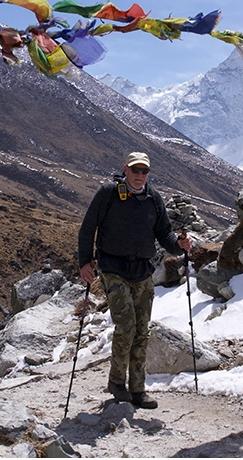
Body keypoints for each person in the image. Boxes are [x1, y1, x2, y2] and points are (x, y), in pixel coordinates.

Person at [78, 152, 192, 409]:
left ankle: (138, 389)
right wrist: (85, 262)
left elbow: (164, 234)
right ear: (125, 169)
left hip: (142, 270)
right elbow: (88, 228)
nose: (140, 175)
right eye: (135, 170)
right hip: (112, 267)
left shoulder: (153, 198)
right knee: (127, 324)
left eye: (144, 171)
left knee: (142, 329)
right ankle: (117, 383)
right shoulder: (108, 193)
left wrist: (180, 245)